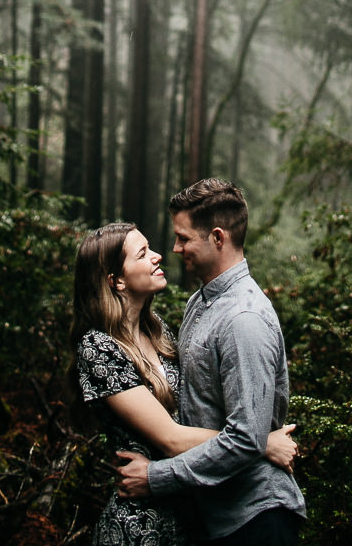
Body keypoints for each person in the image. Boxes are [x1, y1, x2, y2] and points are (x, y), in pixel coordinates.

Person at [68, 220, 298, 546]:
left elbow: (194, 412)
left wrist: (250, 434)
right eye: (143, 254)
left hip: (190, 512)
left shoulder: (156, 329)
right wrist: (260, 442)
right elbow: (172, 438)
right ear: (116, 280)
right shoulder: (98, 347)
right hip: (141, 523)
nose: (159, 256)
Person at [116, 179, 307, 545]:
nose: (175, 248)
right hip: (214, 518)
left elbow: (244, 441)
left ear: (217, 238)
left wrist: (156, 478)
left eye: (184, 238)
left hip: (256, 519)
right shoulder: (199, 304)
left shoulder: (243, 319)